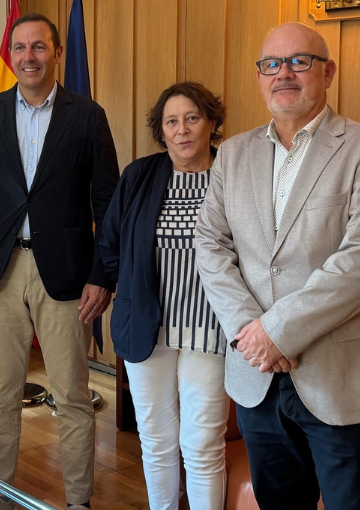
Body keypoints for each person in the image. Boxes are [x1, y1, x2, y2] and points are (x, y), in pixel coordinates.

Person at [194, 22, 360, 510]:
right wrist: (251, 330)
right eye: (271, 64)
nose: (283, 73)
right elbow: (211, 242)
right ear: (259, 76)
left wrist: (277, 333)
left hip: (344, 380)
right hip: (257, 381)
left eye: (299, 61)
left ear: (328, 72)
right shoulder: (232, 154)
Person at [0, 13, 119, 510]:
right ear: (11, 55)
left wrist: (102, 274)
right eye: (20, 48)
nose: (29, 57)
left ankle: (77, 501)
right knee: (0, 395)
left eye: (39, 47)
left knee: (71, 395)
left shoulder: (87, 115)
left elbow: (106, 202)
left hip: (67, 272)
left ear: (56, 53)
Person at [99, 82, 230, 510]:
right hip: (147, 328)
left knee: (203, 443)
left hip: (212, 331)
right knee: (155, 438)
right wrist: (131, 288)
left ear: (211, 123)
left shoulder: (234, 173)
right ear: (162, 131)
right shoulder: (140, 175)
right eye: (171, 121)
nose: (183, 130)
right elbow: (112, 243)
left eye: (193, 118)